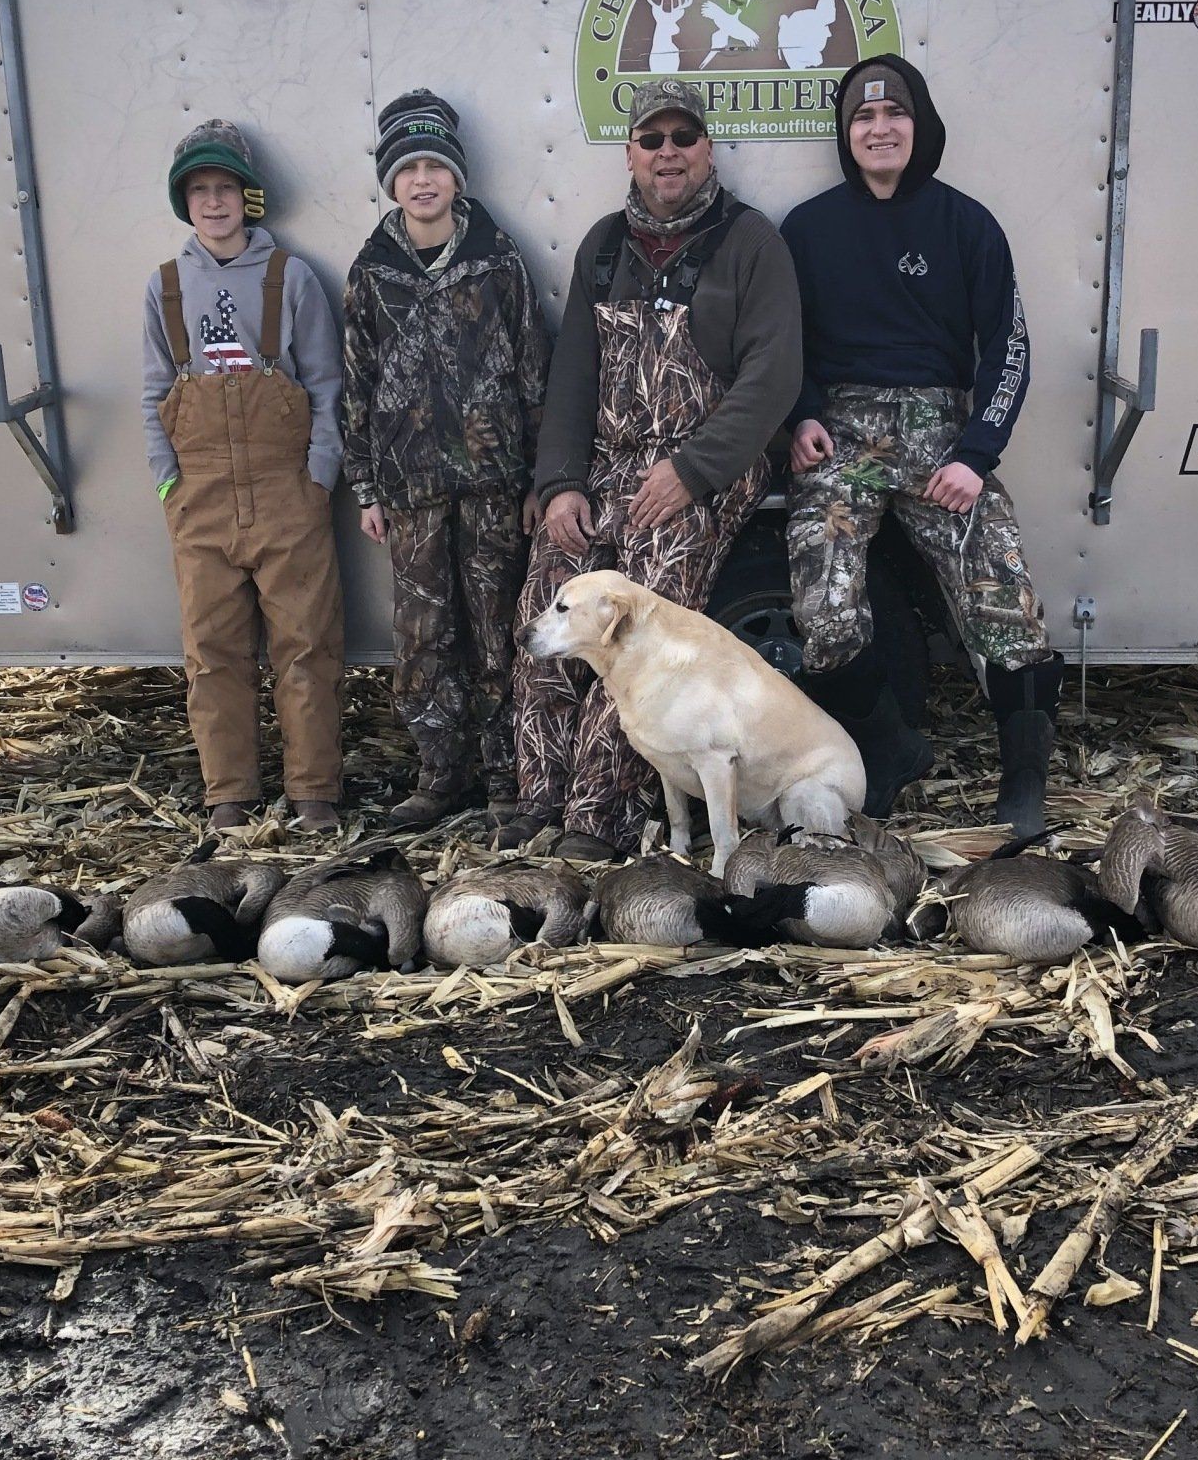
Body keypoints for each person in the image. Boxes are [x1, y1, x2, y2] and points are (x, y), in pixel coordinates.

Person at [508, 79, 803, 859]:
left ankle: (597, 819)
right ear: (630, 154)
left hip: (701, 473)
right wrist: (560, 484)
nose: (668, 153)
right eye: (652, 139)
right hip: (606, 469)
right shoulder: (605, 246)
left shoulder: (751, 242)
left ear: (707, 150)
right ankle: (539, 799)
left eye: (683, 138)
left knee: (639, 636)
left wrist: (693, 471)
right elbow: (572, 377)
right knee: (547, 610)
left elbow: (773, 376)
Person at [780, 56, 1066, 833]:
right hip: (842, 435)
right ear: (846, 134)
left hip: (942, 437)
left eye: (895, 114)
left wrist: (976, 455)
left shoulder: (966, 224)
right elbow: (777, 341)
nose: (880, 129)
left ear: (921, 125)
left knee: (1003, 596)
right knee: (825, 612)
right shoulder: (807, 229)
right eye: (863, 118)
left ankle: (1024, 784)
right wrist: (800, 415)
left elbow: (1007, 349)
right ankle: (890, 748)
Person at [342, 91, 549, 829]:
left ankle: (505, 776)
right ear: (391, 183)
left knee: (496, 629)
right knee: (422, 636)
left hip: (494, 486)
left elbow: (533, 370)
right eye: (407, 169)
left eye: (434, 166)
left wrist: (538, 480)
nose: (421, 180)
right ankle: (439, 775)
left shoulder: (498, 260)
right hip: (411, 489)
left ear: (456, 177)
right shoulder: (372, 271)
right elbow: (357, 383)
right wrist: (366, 486)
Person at [142, 118, 346, 832]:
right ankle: (228, 794)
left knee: (307, 643)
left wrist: (319, 477)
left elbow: (326, 386)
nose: (213, 202)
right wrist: (167, 483)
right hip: (199, 494)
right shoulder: (166, 287)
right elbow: (152, 393)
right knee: (212, 651)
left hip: (286, 487)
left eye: (225, 187)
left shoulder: (291, 277)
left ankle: (314, 791)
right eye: (199, 190)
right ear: (184, 202)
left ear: (247, 197)